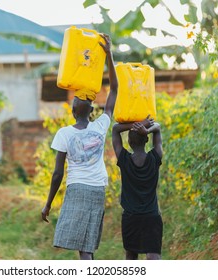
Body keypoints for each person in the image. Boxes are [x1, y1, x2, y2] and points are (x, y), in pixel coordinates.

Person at [41, 33, 117, 260]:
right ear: (92, 111)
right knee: (88, 245)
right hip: (97, 190)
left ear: (73, 111)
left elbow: (57, 174)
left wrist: (48, 204)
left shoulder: (64, 134)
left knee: (81, 246)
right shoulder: (101, 126)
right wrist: (109, 54)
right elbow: (114, 90)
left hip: (77, 189)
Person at [112, 120, 163, 260]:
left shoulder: (124, 159)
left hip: (130, 218)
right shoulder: (155, 157)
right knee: (154, 255)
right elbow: (158, 128)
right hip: (151, 217)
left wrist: (134, 125)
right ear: (147, 139)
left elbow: (115, 129)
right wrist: (146, 128)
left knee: (131, 256)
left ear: (128, 141)